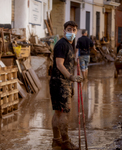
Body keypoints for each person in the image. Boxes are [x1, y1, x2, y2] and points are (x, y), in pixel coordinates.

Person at [50, 21, 83, 150]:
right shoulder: (61, 45)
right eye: (69, 29)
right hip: (60, 83)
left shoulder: (69, 45)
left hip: (62, 83)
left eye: (74, 30)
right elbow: (59, 64)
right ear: (64, 31)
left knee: (58, 112)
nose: (71, 32)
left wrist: (71, 83)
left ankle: (56, 141)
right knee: (64, 113)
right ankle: (65, 142)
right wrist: (71, 77)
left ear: (76, 32)